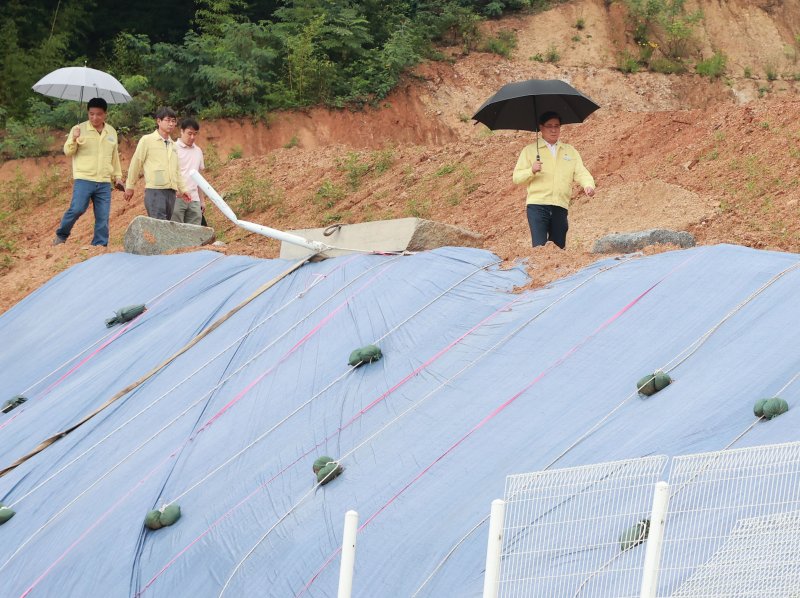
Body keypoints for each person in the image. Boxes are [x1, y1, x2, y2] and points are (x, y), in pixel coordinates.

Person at [512, 111, 595, 249]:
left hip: (560, 206)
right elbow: (516, 178)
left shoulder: (570, 151)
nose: (553, 129)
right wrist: (531, 170)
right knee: (539, 247)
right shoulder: (530, 150)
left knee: (558, 248)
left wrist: (588, 185)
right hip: (537, 205)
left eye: (557, 126)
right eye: (549, 125)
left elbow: (581, 172)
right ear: (541, 128)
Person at [53, 97, 123, 247]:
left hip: (104, 181)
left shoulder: (111, 132)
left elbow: (114, 156)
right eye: (91, 114)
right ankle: (61, 235)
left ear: (105, 114)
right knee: (77, 209)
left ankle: (99, 245)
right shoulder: (78, 129)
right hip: (84, 178)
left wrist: (117, 176)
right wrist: (73, 138)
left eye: (98, 114)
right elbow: (67, 151)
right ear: (87, 113)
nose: (94, 117)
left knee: (103, 217)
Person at [123, 107, 189, 220]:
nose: (171, 124)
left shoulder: (173, 145)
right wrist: (130, 186)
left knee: (166, 226)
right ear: (158, 121)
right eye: (168, 120)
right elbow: (136, 162)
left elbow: (177, 170)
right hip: (155, 190)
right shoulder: (147, 140)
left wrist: (183, 189)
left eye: (173, 121)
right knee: (159, 226)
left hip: (171, 192)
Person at [172, 118, 206, 225]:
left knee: (194, 232)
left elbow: (199, 177)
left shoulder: (198, 151)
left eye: (195, 134)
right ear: (181, 131)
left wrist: (202, 200)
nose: (192, 137)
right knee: (176, 230)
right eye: (189, 133)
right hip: (177, 198)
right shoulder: (173, 148)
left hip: (194, 199)